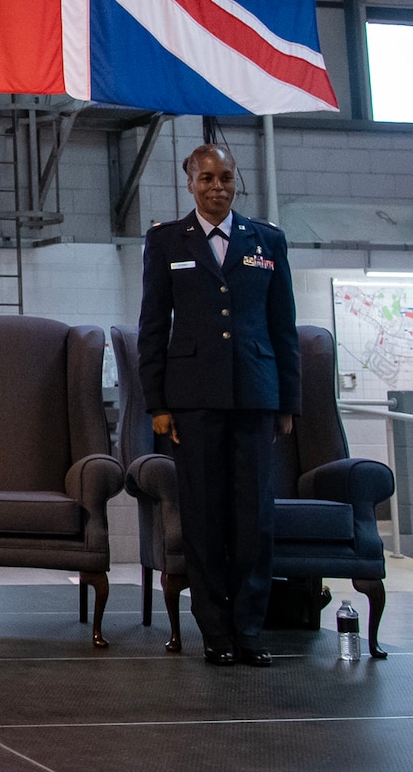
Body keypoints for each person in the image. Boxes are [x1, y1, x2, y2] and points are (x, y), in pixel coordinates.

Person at [137, 142, 299, 669]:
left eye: (225, 178)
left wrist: (287, 402)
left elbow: (283, 328)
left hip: (255, 394)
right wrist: (157, 403)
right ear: (190, 183)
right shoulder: (166, 242)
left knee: (254, 519)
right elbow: (154, 326)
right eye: (206, 178)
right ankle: (214, 632)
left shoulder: (267, 241)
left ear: (236, 181)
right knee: (204, 517)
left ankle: (249, 629)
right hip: (193, 400)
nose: (217, 187)